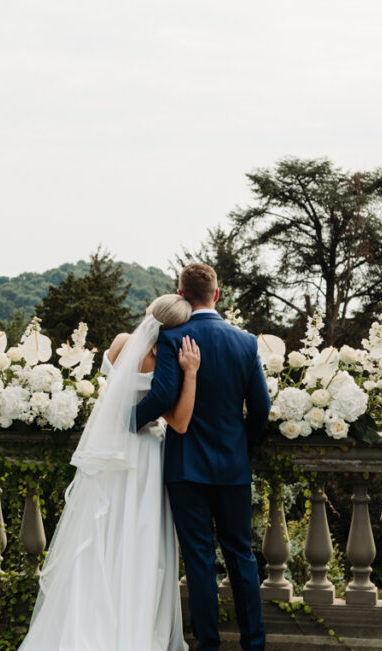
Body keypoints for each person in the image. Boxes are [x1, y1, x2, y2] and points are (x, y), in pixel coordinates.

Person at [19, 294, 199, 651]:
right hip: (145, 452)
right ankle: (134, 624)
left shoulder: (121, 343)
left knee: (100, 535)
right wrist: (188, 372)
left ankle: (86, 621)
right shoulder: (168, 358)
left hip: (111, 448)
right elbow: (176, 419)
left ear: (149, 314)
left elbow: (111, 391)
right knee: (141, 537)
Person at [136, 264, 272, 651]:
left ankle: (208, 645)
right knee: (241, 555)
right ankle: (255, 644)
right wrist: (241, 445)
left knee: (199, 561)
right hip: (232, 465)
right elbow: (260, 407)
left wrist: (123, 424)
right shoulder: (245, 342)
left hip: (185, 468)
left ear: (180, 295)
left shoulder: (173, 337)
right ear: (217, 294)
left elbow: (161, 398)